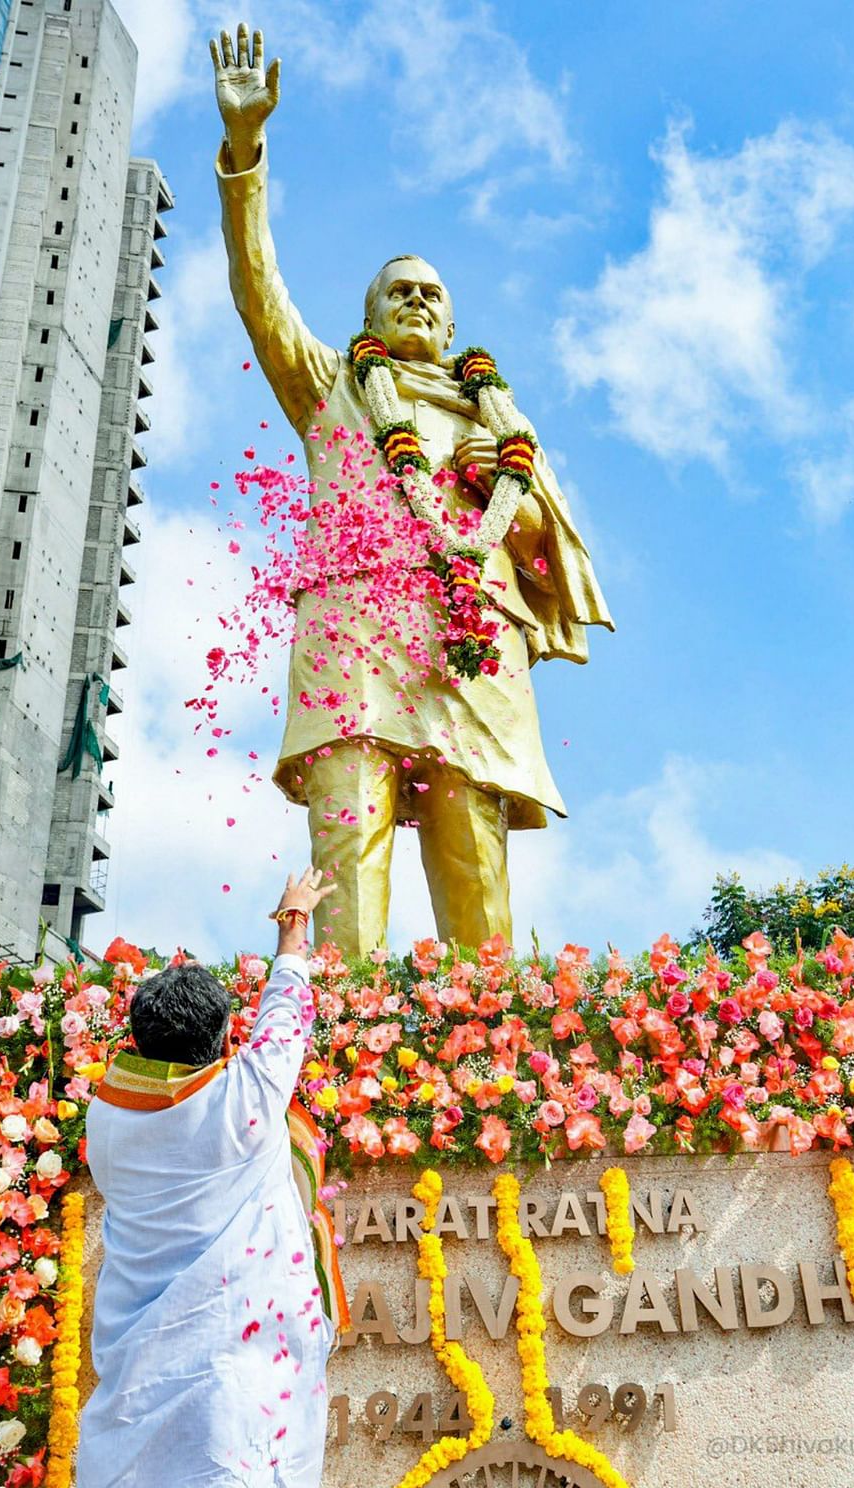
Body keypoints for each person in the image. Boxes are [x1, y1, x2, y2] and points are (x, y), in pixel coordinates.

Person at [211, 23, 613, 955]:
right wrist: (244, 153)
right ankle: (340, 1039)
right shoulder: (334, 388)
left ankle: (492, 1051)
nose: (418, 302)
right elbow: (256, 290)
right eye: (399, 293)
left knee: (474, 849)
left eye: (432, 293)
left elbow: (550, 550)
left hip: (471, 634)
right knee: (351, 840)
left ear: (454, 319)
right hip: (356, 630)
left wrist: (507, 519)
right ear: (369, 320)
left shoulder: (497, 417)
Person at [77, 867, 337, 1488]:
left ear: (136, 1040)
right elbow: (288, 1013)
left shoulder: (108, 1126)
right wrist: (293, 924)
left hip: (128, 1416)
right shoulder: (245, 1105)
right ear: (225, 1039)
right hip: (224, 1422)